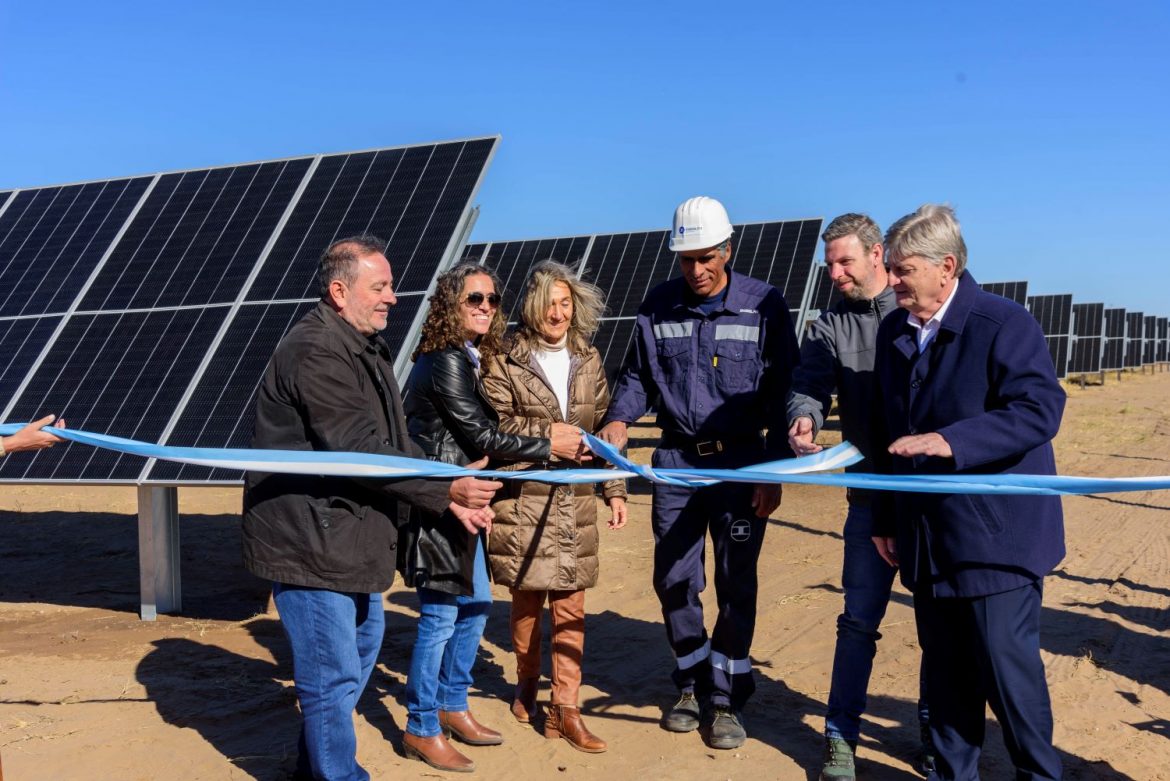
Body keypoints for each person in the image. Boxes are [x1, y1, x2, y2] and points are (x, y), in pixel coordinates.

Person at [242, 235, 502, 781]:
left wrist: (445, 488)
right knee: (332, 675)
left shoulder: (365, 347)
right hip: (312, 541)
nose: (393, 297)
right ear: (340, 291)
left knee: (356, 656)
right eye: (379, 286)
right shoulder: (316, 350)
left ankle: (313, 769)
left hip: (350, 538)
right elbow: (357, 445)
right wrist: (445, 489)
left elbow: (394, 440)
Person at [872, 205, 1065, 780]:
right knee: (947, 678)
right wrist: (886, 514)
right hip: (928, 539)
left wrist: (949, 442)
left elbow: (1039, 409)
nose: (893, 281)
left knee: (1010, 679)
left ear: (946, 267)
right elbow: (889, 433)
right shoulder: (893, 331)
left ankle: (1040, 776)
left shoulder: (1004, 324)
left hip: (994, 543)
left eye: (903, 270)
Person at [599, 196, 800, 749]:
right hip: (676, 462)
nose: (697, 269)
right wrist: (619, 417)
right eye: (686, 258)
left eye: (707, 256)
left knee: (736, 581)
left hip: (741, 460)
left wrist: (773, 471)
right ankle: (689, 682)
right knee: (675, 578)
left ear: (728, 250)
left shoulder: (764, 304)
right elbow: (638, 375)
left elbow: (784, 391)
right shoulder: (658, 305)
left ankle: (726, 696)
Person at [400, 262, 585, 772]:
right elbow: (481, 436)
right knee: (439, 616)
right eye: (473, 299)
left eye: (492, 300)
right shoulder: (445, 361)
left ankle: (453, 704)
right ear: (450, 305)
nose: (485, 308)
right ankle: (421, 724)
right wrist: (549, 443)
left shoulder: (470, 356)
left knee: (477, 604)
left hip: (467, 500)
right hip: (442, 502)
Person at [786, 214, 931, 779]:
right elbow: (809, 384)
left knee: (935, 625)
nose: (834, 272)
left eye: (845, 261)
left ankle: (934, 733)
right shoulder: (828, 327)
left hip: (924, 501)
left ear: (877, 256)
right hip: (868, 499)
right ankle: (840, 737)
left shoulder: (916, 311)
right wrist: (804, 419)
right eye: (829, 263)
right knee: (858, 623)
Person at [481, 260, 628, 754]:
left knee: (572, 606)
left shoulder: (588, 357)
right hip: (524, 499)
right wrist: (550, 440)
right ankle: (526, 681)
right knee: (527, 604)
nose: (559, 313)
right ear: (533, 305)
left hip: (576, 499)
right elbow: (495, 427)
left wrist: (615, 490)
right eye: (551, 303)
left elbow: (606, 425)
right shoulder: (504, 357)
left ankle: (567, 709)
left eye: (566, 303)